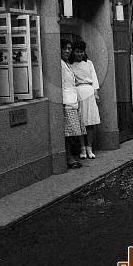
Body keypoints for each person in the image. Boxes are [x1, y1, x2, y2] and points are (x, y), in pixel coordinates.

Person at [70, 40, 100, 160]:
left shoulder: (89, 63)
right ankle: (82, 147)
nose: (79, 54)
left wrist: (96, 93)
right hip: (78, 93)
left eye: (81, 51)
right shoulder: (70, 65)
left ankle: (89, 147)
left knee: (90, 122)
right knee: (81, 122)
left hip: (89, 92)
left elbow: (94, 79)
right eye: (77, 52)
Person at [61, 38, 86, 169]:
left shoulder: (67, 64)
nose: (67, 51)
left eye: (69, 48)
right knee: (68, 133)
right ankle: (69, 158)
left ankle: (70, 156)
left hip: (73, 101)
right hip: (66, 102)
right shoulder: (60, 64)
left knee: (72, 132)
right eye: (65, 48)